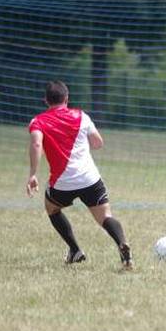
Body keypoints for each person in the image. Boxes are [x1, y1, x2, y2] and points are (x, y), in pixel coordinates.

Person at [26, 81, 133, 270]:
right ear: (67, 98)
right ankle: (122, 245)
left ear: (45, 100)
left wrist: (33, 174)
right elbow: (98, 143)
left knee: (52, 208)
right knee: (105, 217)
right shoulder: (81, 116)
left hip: (62, 183)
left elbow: (36, 145)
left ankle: (75, 250)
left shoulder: (38, 121)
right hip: (89, 179)